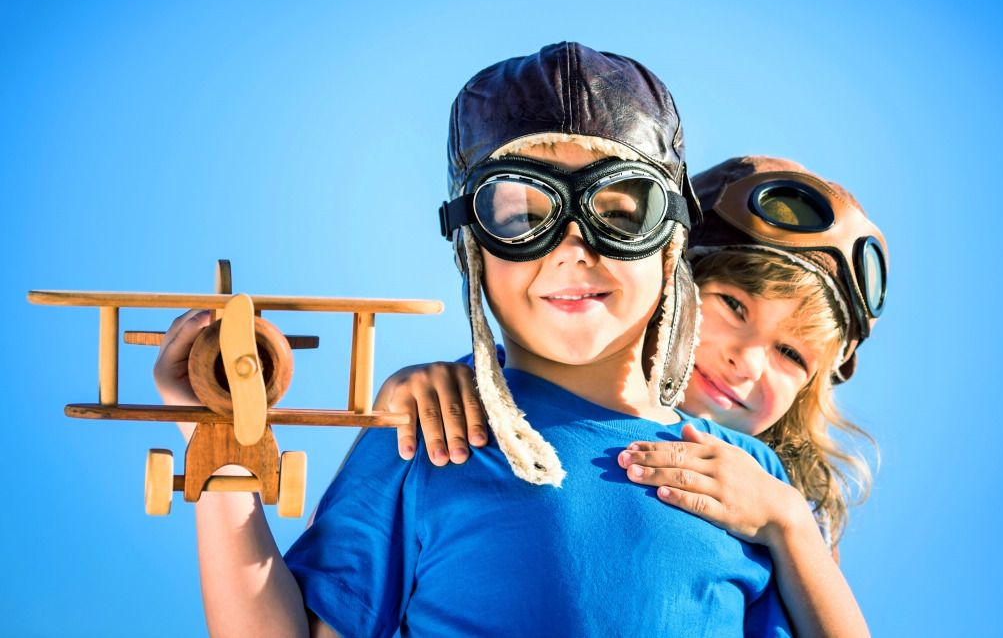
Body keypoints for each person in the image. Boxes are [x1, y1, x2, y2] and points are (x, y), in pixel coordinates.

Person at [154, 42, 794, 637]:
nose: (573, 248)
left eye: (618, 214)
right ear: (471, 246)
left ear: (671, 238)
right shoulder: (428, 435)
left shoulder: (748, 480)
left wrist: (792, 527)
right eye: (520, 216)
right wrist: (220, 448)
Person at [378, 155, 885, 637]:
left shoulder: (773, 500)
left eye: (791, 355)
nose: (747, 362)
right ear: (669, 277)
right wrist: (404, 399)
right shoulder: (479, 409)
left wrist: (790, 522)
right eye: (733, 304)